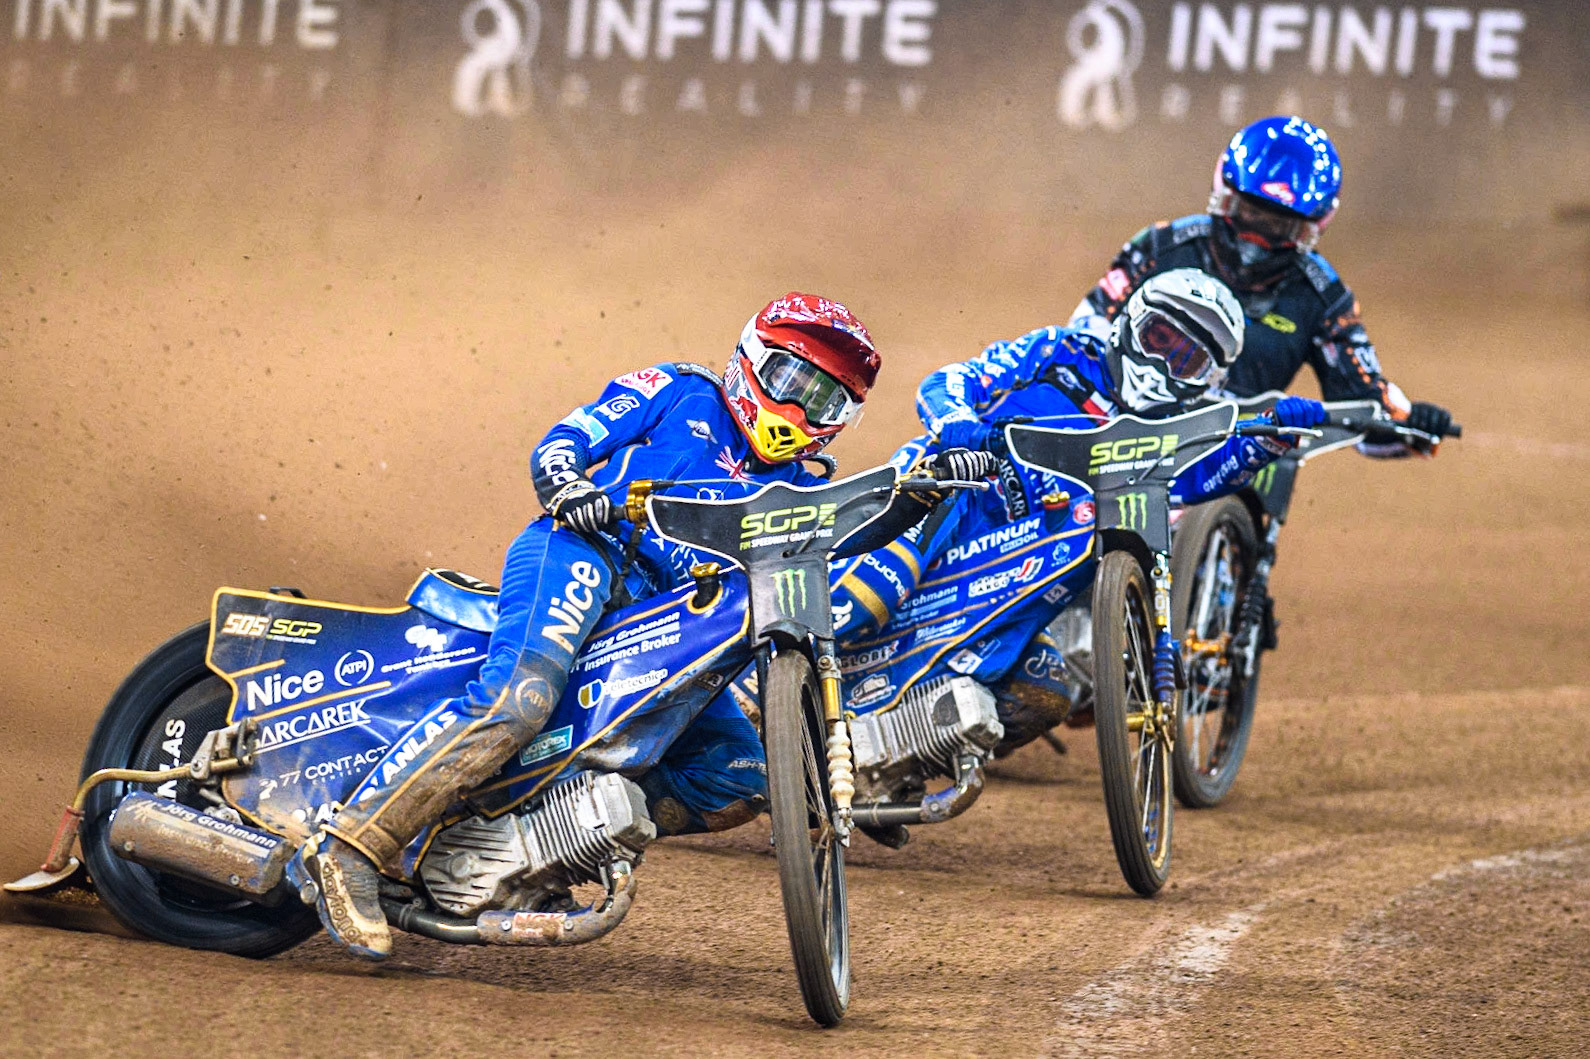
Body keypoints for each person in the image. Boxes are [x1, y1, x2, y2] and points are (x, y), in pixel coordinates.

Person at [290, 292, 894, 960]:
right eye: (791, 382)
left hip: (670, 625)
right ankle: (347, 847)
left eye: (827, 400)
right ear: (750, 360)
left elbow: (859, 539)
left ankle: (538, 845)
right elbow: (567, 438)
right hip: (589, 552)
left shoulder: (801, 492)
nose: (803, 410)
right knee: (519, 698)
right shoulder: (680, 391)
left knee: (741, 775)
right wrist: (567, 484)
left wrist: (941, 482)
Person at [826, 269, 1326, 766]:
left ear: (1210, 380)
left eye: (1186, 360)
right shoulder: (1062, 350)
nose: (1161, 365)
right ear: (1129, 323)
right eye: (1158, 338)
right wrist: (960, 425)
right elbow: (954, 380)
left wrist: (1269, 441)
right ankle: (766, 674)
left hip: (1028, 555)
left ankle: (885, 768)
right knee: (866, 599)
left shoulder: (1182, 425)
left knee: (1043, 692)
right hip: (959, 490)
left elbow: (1197, 479)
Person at [1068, 115, 1453, 455]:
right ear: (1224, 196)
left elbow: (1364, 403)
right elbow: (1085, 331)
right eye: (1250, 213)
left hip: (1248, 447)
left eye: (1278, 227)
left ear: (1312, 228)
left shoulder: (1324, 297)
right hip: (1131, 430)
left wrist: (1411, 421)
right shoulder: (1160, 247)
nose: (1255, 239)